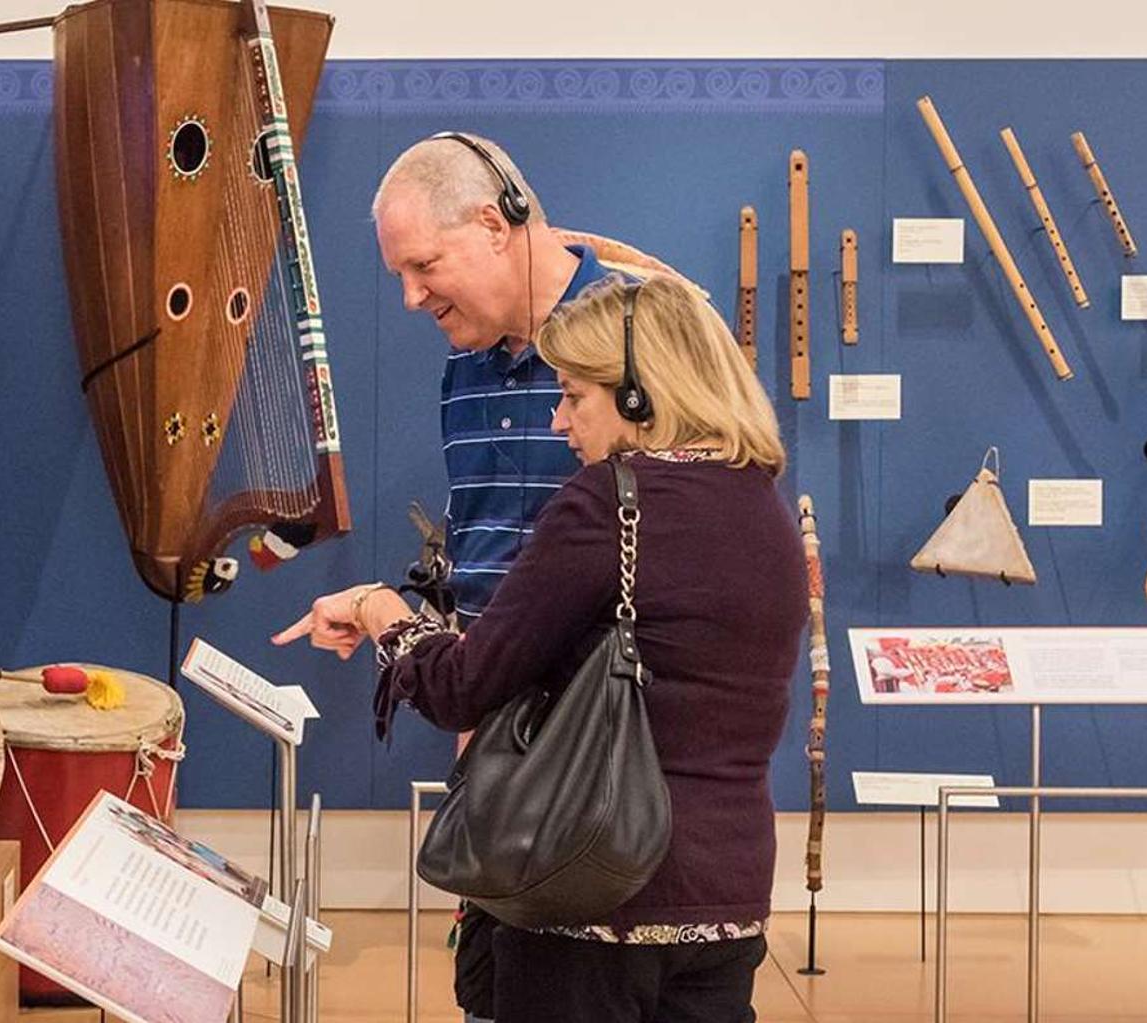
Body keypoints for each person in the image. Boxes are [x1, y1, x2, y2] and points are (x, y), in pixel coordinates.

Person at [276, 276, 806, 1023]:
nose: (559, 421)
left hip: (590, 889)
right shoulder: (764, 506)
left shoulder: (606, 502)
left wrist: (379, 610)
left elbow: (463, 684)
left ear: (636, 397)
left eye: (573, 395)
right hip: (730, 896)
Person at [371, 132, 631, 1023]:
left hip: (606, 768)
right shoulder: (464, 366)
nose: (411, 296)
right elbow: (482, 552)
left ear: (494, 223)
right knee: (492, 994)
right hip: (496, 749)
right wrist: (466, 680)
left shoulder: (640, 340)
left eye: (425, 265)